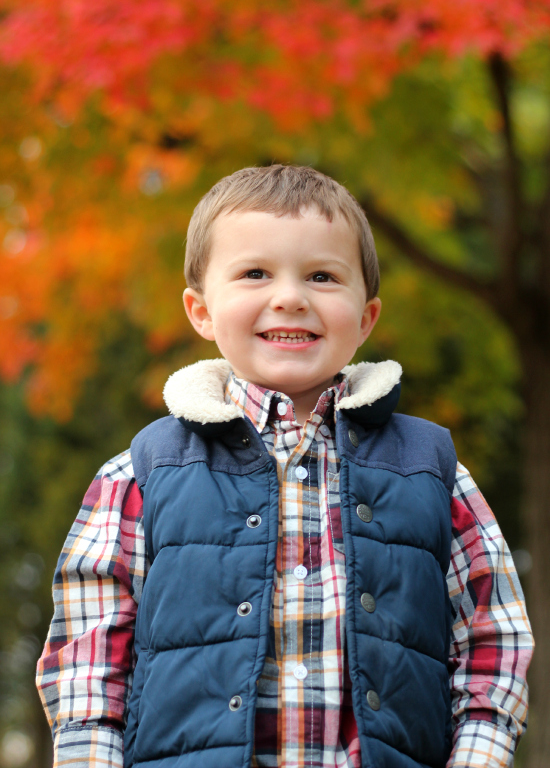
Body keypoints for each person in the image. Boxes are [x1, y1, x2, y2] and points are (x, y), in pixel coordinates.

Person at [37, 165, 533, 768]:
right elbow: (89, 661)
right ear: (200, 311)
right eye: (254, 274)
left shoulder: (429, 469)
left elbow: (492, 636)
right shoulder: (140, 473)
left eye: (322, 276)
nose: (291, 297)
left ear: (367, 316)